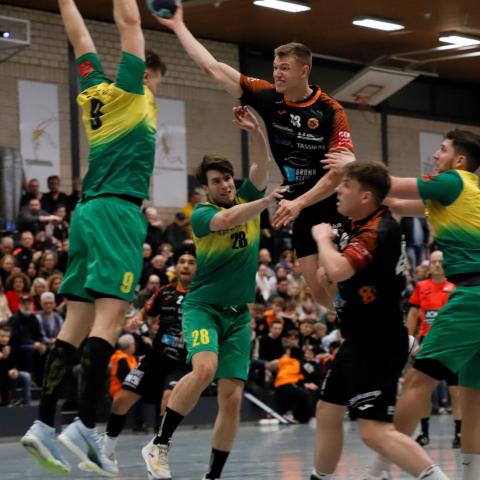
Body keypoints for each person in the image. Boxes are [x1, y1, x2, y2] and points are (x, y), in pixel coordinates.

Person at [21, 0, 165, 476]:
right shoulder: (133, 91)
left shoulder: (92, 91)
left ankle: (43, 423)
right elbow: (128, 20)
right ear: (145, 76)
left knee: (74, 325)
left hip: (85, 213)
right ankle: (83, 424)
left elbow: (79, 38)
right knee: (110, 320)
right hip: (118, 212)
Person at [153, 7, 354, 307]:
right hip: (297, 205)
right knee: (319, 292)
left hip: (330, 202)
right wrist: (178, 25)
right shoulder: (268, 97)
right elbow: (212, 68)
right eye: (275, 67)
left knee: (336, 279)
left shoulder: (330, 110)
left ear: (303, 71)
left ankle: (370, 325)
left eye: (284, 68)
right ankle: (352, 326)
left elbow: (339, 173)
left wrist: (299, 202)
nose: (277, 73)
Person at [141, 106, 280, 480]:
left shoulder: (245, 195)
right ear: (207, 187)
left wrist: (256, 131)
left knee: (231, 400)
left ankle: (213, 476)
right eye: (217, 181)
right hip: (203, 307)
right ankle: (160, 443)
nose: (226, 185)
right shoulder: (203, 214)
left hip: (238, 316)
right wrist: (266, 203)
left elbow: (262, 167)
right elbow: (228, 219)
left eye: (228, 178)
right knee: (205, 368)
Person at [346, 129, 480, 480]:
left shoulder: (452, 181)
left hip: (473, 295)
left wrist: (350, 169)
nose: (436, 155)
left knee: (418, 381)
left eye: (443, 149)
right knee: (473, 398)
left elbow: (389, 185)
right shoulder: (463, 195)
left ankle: (380, 468)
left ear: (459, 160)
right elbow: (396, 204)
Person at [310, 162, 448, 480]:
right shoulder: (357, 224)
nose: (338, 189)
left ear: (365, 196)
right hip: (358, 338)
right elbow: (334, 276)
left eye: (346, 185)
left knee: (374, 431)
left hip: (377, 342)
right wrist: (329, 265)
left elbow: (338, 270)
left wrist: (323, 241)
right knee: (327, 410)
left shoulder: (378, 229)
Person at [102, 245, 196, 469]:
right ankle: (106, 452)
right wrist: (137, 319)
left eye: (191, 262)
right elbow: (145, 311)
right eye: (182, 261)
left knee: (169, 401)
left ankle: (158, 452)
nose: (185, 266)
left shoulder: (202, 295)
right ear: (176, 266)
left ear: (198, 268)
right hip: (155, 357)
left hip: (181, 363)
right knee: (121, 400)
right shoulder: (164, 292)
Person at [406, 250, 460, 449]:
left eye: (440, 261)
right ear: (429, 265)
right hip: (428, 343)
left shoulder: (455, 287)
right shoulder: (421, 287)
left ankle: (459, 433)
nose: (437, 264)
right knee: (423, 389)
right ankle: (424, 433)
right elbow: (413, 314)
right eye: (433, 261)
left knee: (456, 391)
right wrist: (411, 340)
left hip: (451, 344)